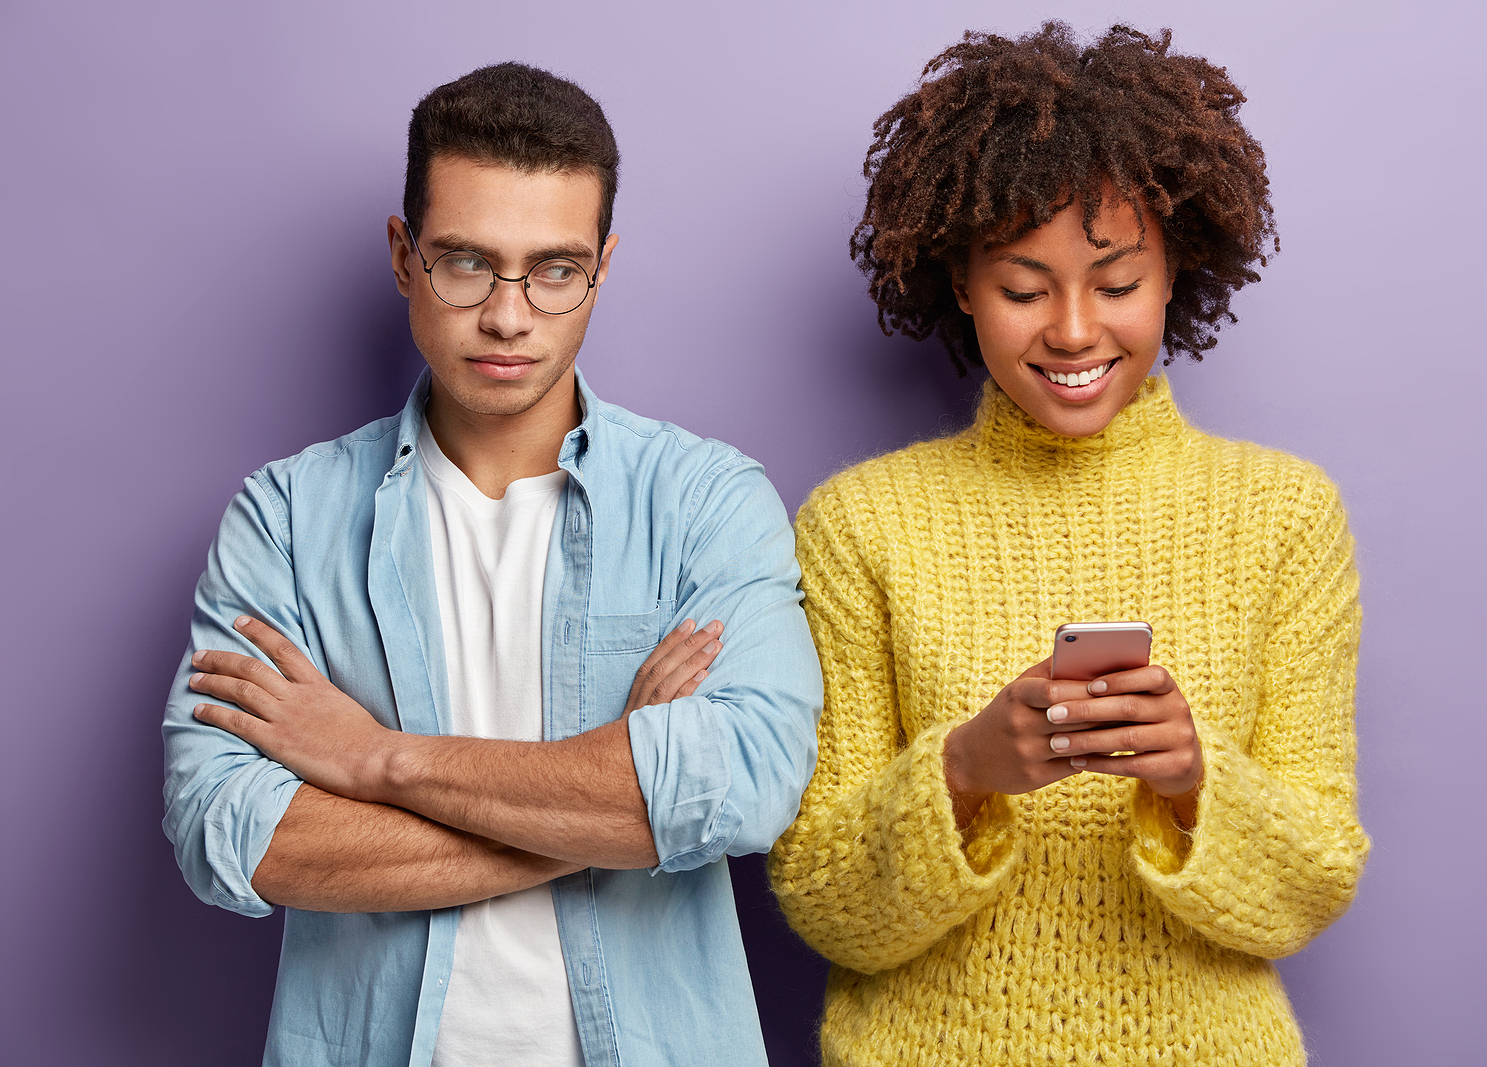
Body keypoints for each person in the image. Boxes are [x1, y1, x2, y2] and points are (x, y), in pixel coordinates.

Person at [162, 62, 822, 1067]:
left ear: (601, 267)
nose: (509, 315)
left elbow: (744, 786)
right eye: (466, 261)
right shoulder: (287, 516)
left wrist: (378, 761)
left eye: (554, 270)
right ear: (403, 253)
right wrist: (608, 799)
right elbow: (233, 835)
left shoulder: (707, 501)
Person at [768, 23, 1369, 1066]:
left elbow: (1312, 881)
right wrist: (965, 767)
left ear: (1177, 270)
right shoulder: (858, 525)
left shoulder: (1283, 515)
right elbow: (823, 898)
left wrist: (1192, 778)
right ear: (960, 283)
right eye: (1022, 286)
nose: (1075, 330)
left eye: (1116, 281)